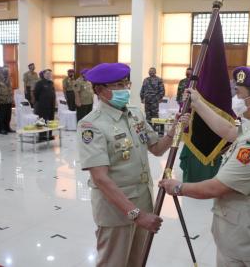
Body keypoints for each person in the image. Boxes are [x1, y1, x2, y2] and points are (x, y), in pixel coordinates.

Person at [160, 67, 250, 267]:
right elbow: (230, 131)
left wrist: (178, 187)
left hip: (247, 242)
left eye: (239, 94)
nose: (236, 99)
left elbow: (217, 187)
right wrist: (198, 102)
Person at [77, 63, 181, 267]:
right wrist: (136, 214)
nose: (124, 89)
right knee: (113, 262)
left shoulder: (135, 114)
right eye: (117, 85)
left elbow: (157, 148)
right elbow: (100, 178)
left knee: (137, 261)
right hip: (116, 210)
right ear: (99, 90)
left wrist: (174, 130)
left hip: (142, 201)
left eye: (126, 83)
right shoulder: (91, 125)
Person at [140, 67, 165, 136]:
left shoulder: (159, 80)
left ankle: (156, 131)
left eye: (152, 71)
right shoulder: (145, 80)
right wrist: (142, 98)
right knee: (147, 115)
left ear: (155, 72)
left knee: (155, 115)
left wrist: (157, 98)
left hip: (154, 101)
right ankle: (149, 130)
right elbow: (142, 89)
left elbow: (162, 91)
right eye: (150, 71)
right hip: (147, 101)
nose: (151, 72)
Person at [34, 69, 56, 141]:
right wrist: (40, 101)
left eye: (50, 73)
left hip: (51, 104)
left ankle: (49, 135)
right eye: (47, 73)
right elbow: (36, 94)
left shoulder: (51, 83)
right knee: (42, 120)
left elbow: (53, 93)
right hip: (42, 104)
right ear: (43, 74)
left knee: (50, 120)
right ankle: (41, 136)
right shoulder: (39, 83)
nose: (49, 75)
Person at [0, 66, 14, 134]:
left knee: (8, 115)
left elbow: (10, 89)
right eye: (5, 71)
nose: (7, 72)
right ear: (2, 71)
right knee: (2, 115)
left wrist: (12, 99)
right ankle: (1, 128)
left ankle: (7, 127)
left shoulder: (9, 79)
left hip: (8, 100)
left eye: (8, 71)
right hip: (1, 100)